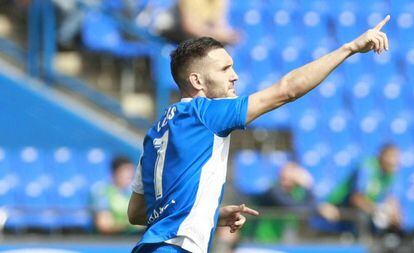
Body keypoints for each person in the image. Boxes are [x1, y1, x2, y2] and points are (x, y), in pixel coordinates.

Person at [128, 15, 391, 253]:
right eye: (224, 69)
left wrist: (209, 213)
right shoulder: (205, 113)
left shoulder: (156, 132)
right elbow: (286, 90)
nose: (235, 76)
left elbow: (137, 212)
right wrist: (350, 48)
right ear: (197, 81)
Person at [351, 144, 401, 232]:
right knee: (365, 216)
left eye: (397, 157)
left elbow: (392, 199)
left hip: (372, 210)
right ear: (382, 156)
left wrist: (394, 214)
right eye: (392, 157)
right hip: (345, 206)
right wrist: (377, 210)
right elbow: (356, 199)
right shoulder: (368, 168)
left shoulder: (391, 174)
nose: (395, 161)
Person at [91, 156, 138, 234]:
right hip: (109, 241)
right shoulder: (101, 192)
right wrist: (130, 225)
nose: (130, 176)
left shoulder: (133, 193)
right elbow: (104, 225)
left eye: (131, 172)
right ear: (115, 173)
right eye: (125, 171)